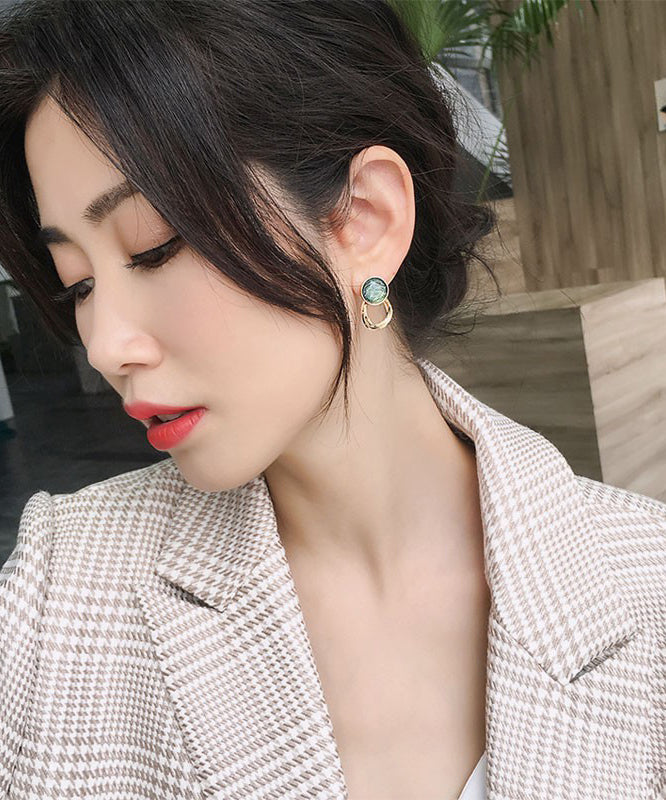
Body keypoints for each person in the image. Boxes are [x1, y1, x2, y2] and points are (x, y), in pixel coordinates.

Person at [0, 2, 663, 799]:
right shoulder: (60, 591)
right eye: (77, 282)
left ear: (364, 221)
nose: (106, 344)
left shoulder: (645, 583)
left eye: (152, 247)